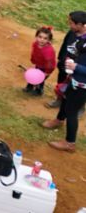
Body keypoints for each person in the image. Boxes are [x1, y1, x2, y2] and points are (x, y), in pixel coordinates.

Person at [42, 11, 86, 151]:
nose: (69, 25)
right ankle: (59, 120)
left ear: (80, 25)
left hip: (82, 85)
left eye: (71, 23)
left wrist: (76, 67)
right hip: (72, 78)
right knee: (65, 99)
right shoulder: (77, 35)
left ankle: (70, 143)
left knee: (72, 111)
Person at [27, 26, 56, 95]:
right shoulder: (35, 44)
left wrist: (47, 72)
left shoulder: (48, 51)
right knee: (34, 75)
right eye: (40, 37)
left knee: (40, 80)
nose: (42, 40)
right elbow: (34, 53)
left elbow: (50, 63)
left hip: (46, 68)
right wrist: (33, 61)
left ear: (49, 40)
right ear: (36, 36)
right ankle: (29, 86)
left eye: (45, 38)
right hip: (38, 64)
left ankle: (39, 91)